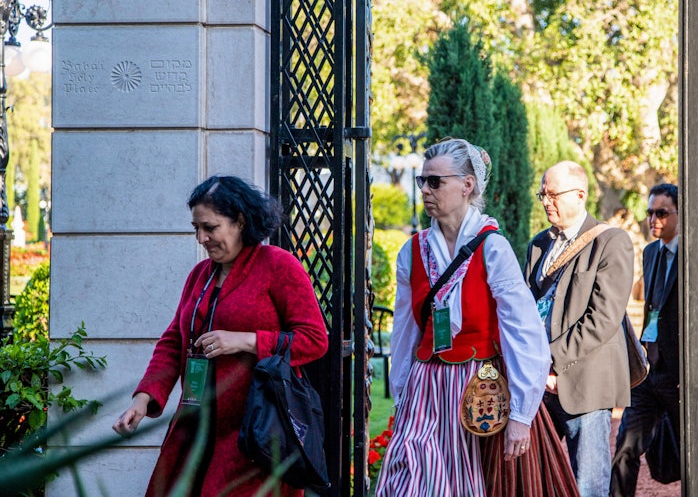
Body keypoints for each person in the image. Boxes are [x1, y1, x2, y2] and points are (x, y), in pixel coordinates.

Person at [376, 138, 578, 497]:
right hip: (427, 388)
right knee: (410, 477)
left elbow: (523, 331)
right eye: (422, 180)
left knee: (473, 483)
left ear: (467, 185)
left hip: (480, 388)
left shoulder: (492, 247)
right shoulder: (412, 251)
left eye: (435, 181)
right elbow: (406, 329)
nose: (425, 189)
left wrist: (520, 415)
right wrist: (403, 392)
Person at [112, 175, 329, 497]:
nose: (201, 238)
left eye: (210, 227)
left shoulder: (279, 266)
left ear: (240, 221)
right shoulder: (199, 275)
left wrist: (246, 340)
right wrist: (143, 400)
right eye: (195, 228)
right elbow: (174, 341)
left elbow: (315, 339)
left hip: (255, 430)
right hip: (194, 426)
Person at [524, 161, 635, 497]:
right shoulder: (539, 244)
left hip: (586, 383)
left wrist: (551, 362)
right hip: (538, 385)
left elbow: (602, 318)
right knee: (534, 480)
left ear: (579, 195)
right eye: (542, 193)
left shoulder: (611, 242)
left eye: (553, 194)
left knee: (587, 486)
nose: (545, 201)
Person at [610, 183, 680, 497]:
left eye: (662, 213)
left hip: (680, 374)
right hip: (648, 370)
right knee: (625, 446)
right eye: (650, 212)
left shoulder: (696, 254)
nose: (654, 219)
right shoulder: (650, 252)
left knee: (693, 454)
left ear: (680, 214)